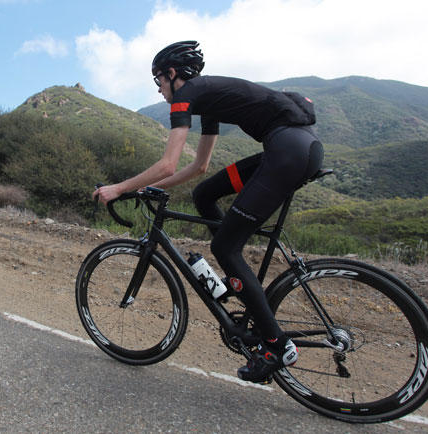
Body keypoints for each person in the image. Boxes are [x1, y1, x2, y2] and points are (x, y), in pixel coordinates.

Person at [94, 41, 323, 383]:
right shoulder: (208, 98)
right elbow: (199, 167)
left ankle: (277, 346)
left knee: (225, 248)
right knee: (204, 194)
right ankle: (236, 278)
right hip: (296, 148)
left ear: (172, 74)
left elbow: (168, 163)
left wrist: (119, 188)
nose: (158, 89)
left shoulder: (188, 96)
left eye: (158, 80)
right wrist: (144, 189)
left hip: (287, 153)